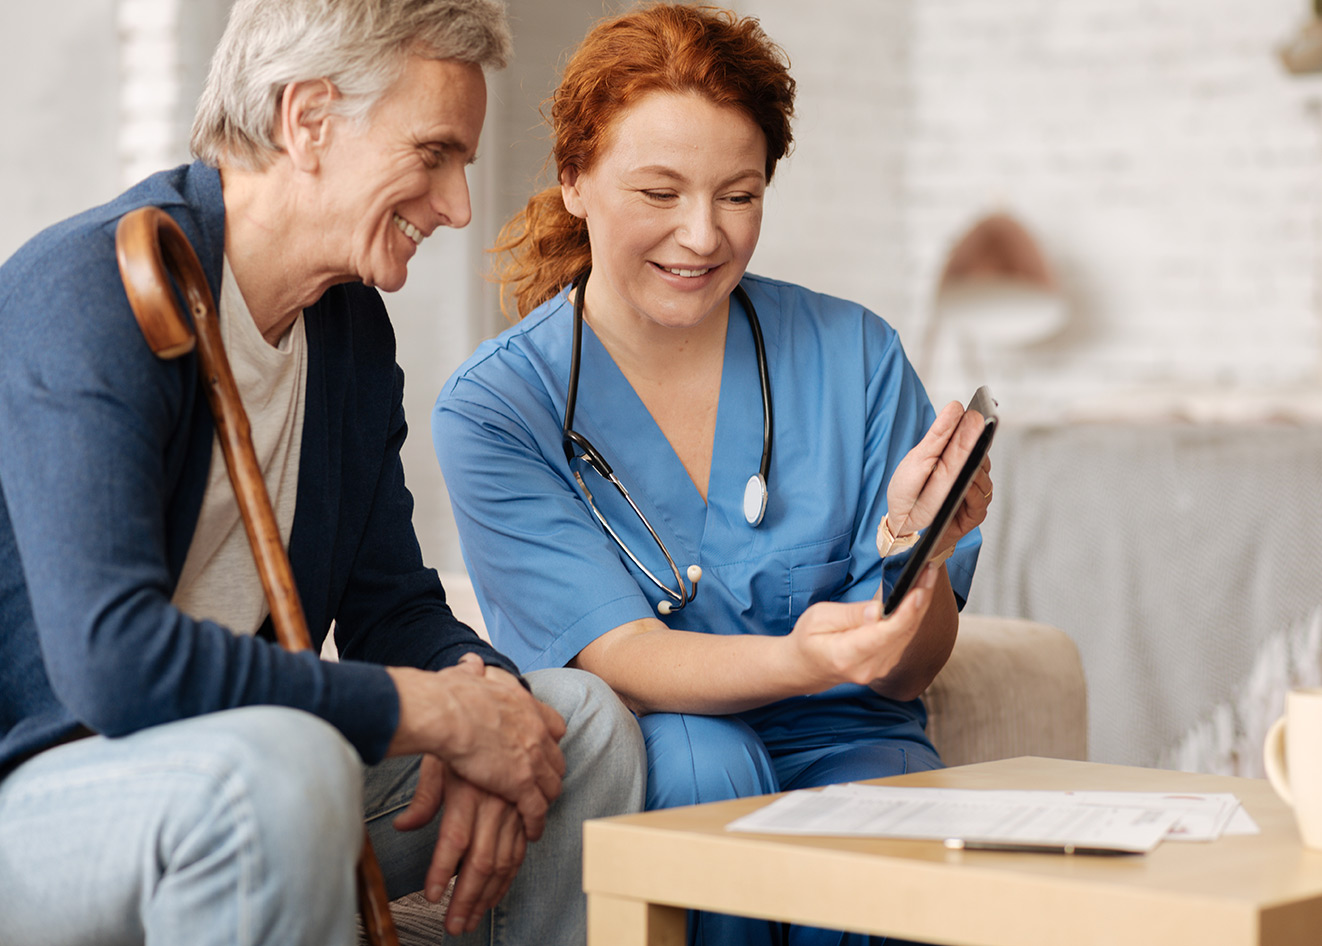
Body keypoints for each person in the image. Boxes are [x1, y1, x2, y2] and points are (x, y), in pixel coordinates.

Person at [0, 1, 646, 944]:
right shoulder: (93, 289)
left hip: (257, 776)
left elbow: (394, 610)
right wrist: (431, 712)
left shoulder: (344, 332)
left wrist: (486, 704)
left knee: (575, 725)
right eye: (434, 154)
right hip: (52, 797)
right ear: (307, 120)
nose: (458, 207)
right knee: (273, 764)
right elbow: (114, 665)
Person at [431, 4, 992, 945]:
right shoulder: (498, 408)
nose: (702, 237)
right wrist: (808, 657)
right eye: (659, 194)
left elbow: (908, 666)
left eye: (738, 195)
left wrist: (916, 554)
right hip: (663, 743)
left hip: (847, 739)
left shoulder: (854, 355)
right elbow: (624, 663)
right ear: (574, 180)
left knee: (881, 802)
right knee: (700, 760)